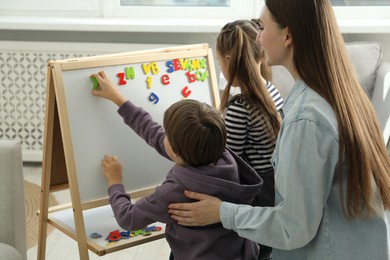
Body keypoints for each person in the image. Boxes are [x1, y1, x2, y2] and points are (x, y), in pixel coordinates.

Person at [168, 0, 390, 259]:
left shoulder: (307, 118)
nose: (258, 37)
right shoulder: (336, 94)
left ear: (288, 35)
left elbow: (292, 227)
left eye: (262, 27)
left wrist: (221, 212)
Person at [91, 70, 263, 260]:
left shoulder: (174, 191)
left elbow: (128, 218)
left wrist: (115, 182)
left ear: (175, 151)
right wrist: (119, 100)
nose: (162, 135)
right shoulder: (222, 157)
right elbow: (155, 134)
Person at [216, 19, 283, 259]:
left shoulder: (239, 107)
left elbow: (227, 163)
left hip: (259, 193)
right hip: (277, 185)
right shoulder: (271, 90)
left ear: (228, 60)